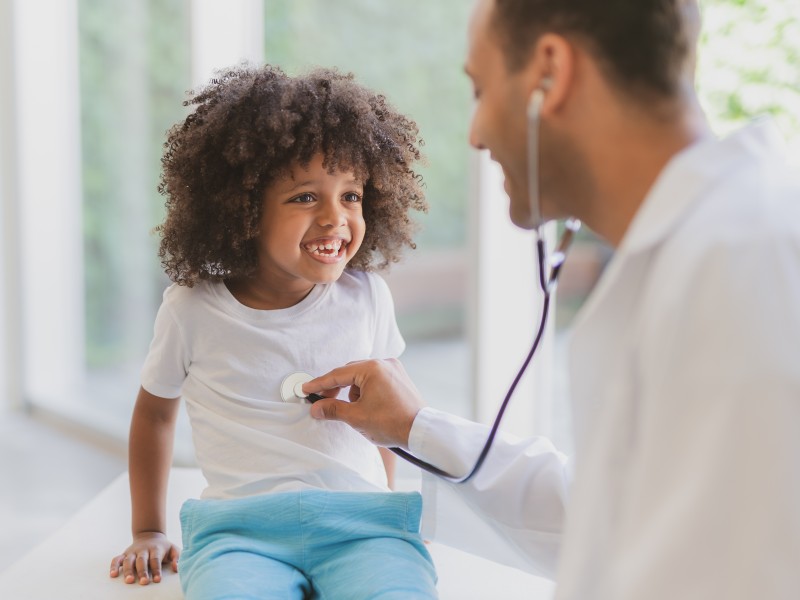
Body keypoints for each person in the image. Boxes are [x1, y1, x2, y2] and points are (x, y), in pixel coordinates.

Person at [303, 0, 800, 598]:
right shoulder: (700, 252)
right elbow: (603, 520)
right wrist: (415, 427)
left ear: (549, 74)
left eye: (481, 90)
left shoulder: (747, 269)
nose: (476, 132)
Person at [108, 64, 438, 599]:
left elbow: (385, 410)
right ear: (242, 210)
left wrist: (382, 499)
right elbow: (154, 414)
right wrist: (148, 529)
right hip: (239, 534)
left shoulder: (369, 297)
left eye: (351, 195)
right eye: (306, 197)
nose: (336, 217)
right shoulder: (191, 310)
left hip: (361, 525)